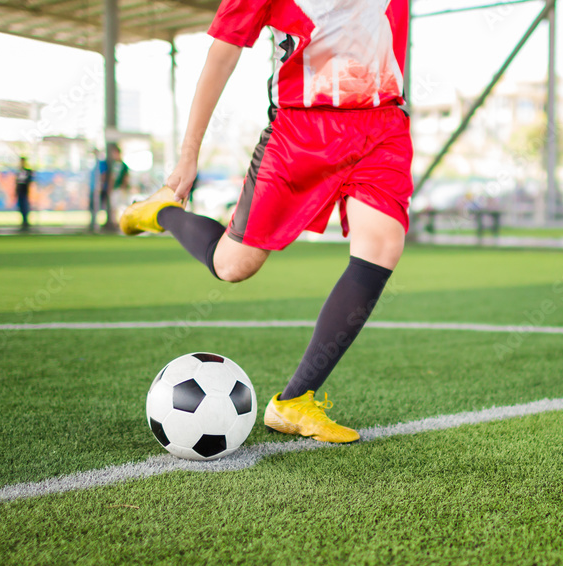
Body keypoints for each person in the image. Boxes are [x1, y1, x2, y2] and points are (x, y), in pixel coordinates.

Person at [119, 0, 412, 444]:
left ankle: (295, 401)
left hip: (383, 123)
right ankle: (161, 212)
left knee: (383, 244)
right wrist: (188, 154)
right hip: (302, 130)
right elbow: (222, 54)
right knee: (234, 266)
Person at [15, 157, 34, 231]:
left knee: (25, 206)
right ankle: (23, 220)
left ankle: (26, 221)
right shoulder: (19, 171)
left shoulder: (28, 171)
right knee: (21, 206)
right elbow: (17, 182)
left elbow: (29, 179)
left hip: (25, 191)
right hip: (20, 191)